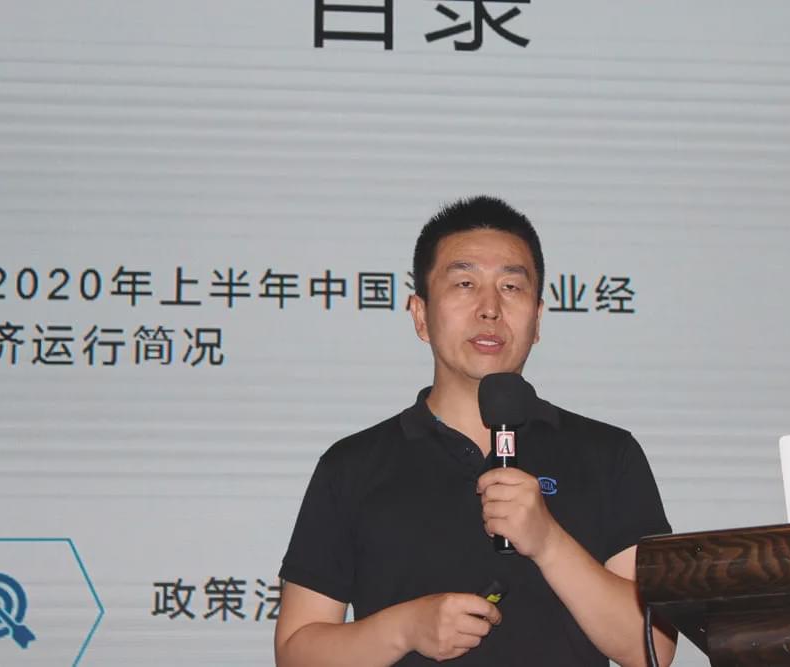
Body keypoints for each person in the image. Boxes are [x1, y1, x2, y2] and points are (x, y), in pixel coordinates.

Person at [275, 196, 676, 666]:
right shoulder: (352, 466)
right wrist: (404, 628)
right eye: (465, 283)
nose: (490, 309)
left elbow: (651, 649)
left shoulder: (608, 454)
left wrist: (549, 542)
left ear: (538, 319)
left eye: (511, 286)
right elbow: (296, 653)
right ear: (420, 315)